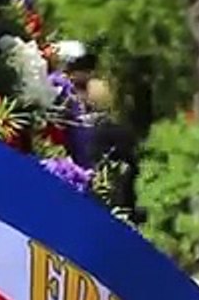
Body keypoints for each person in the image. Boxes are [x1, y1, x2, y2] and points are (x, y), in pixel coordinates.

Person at [55, 41, 141, 220]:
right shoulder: (58, 91)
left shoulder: (97, 111)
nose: (86, 73)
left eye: (88, 67)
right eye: (79, 67)